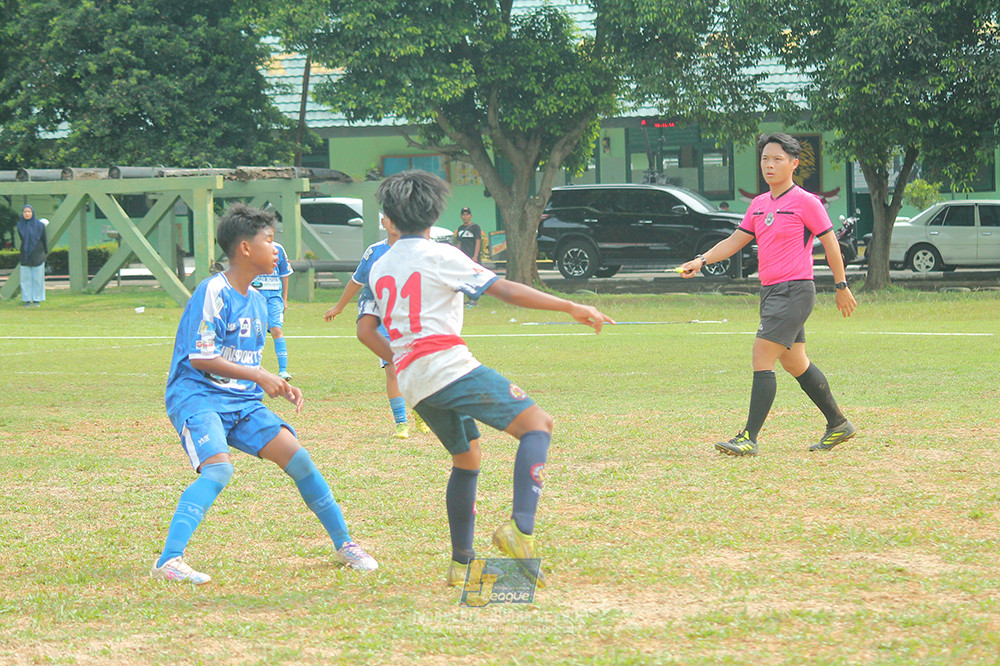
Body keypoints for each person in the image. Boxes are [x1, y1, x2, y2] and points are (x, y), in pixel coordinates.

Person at [359, 170, 614, 587]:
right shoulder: (441, 254)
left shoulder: (379, 265)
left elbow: (365, 330)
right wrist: (569, 305)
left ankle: (462, 565)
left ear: (389, 215)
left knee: (467, 458)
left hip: (412, 379)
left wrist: (405, 360)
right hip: (445, 365)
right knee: (538, 424)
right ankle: (520, 527)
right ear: (434, 212)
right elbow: (505, 290)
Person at [152, 203, 376, 585]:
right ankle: (169, 560)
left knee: (299, 459)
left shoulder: (257, 301)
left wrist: (276, 384)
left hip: (241, 401)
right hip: (198, 396)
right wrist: (260, 374)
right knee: (219, 469)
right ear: (243, 248)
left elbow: (241, 360)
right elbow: (201, 357)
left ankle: (345, 545)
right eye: (270, 241)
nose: (276, 250)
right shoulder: (214, 291)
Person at [678, 132, 858, 456]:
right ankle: (838, 423)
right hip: (771, 292)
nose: (769, 165)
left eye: (777, 159)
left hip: (795, 291)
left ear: (794, 163)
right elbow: (735, 241)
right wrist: (702, 260)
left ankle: (748, 437)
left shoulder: (807, 202)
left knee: (761, 356)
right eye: (765, 159)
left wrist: (841, 285)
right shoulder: (759, 205)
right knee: (795, 362)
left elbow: (831, 244)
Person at [323, 214, 431, 439]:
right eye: (389, 218)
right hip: (380, 318)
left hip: (409, 317)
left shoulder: (418, 248)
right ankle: (401, 423)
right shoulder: (374, 252)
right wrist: (339, 307)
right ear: (382, 222)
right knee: (393, 368)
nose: (394, 222)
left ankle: (420, 413)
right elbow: (356, 281)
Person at [251, 240, 293, 380]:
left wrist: (285, 299)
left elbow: (285, 273)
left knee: (276, 329)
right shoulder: (250, 246)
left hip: (274, 296)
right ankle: (252, 367)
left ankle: (283, 370)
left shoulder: (278, 248)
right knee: (257, 331)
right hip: (256, 295)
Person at [17, 205, 47, 307]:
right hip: (25, 254)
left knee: (37, 278)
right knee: (25, 279)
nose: (27, 213)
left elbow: (44, 240)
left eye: (29, 212)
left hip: (38, 254)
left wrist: (44, 253)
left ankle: (37, 299)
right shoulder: (20, 225)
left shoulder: (40, 226)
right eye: (25, 212)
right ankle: (27, 300)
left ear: (32, 213)